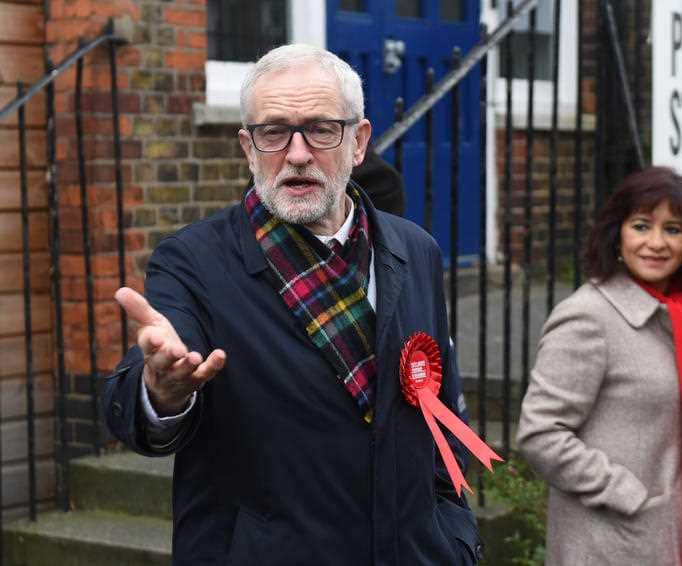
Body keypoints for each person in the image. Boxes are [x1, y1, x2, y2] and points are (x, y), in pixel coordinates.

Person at [103, 43, 481, 566]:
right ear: (248, 147)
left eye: (322, 129)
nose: (297, 153)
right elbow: (139, 403)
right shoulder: (192, 261)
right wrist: (161, 392)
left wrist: (455, 533)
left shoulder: (415, 250)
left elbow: (439, 415)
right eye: (274, 132)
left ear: (358, 142)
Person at [516, 167, 682, 565]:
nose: (656, 243)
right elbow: (540, 434)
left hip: (672, 538)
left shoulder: (677, 316)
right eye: (641, 226)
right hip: (611, 543)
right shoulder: (588, 317)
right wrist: (627, 494)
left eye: (673, 229)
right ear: (617, 234)